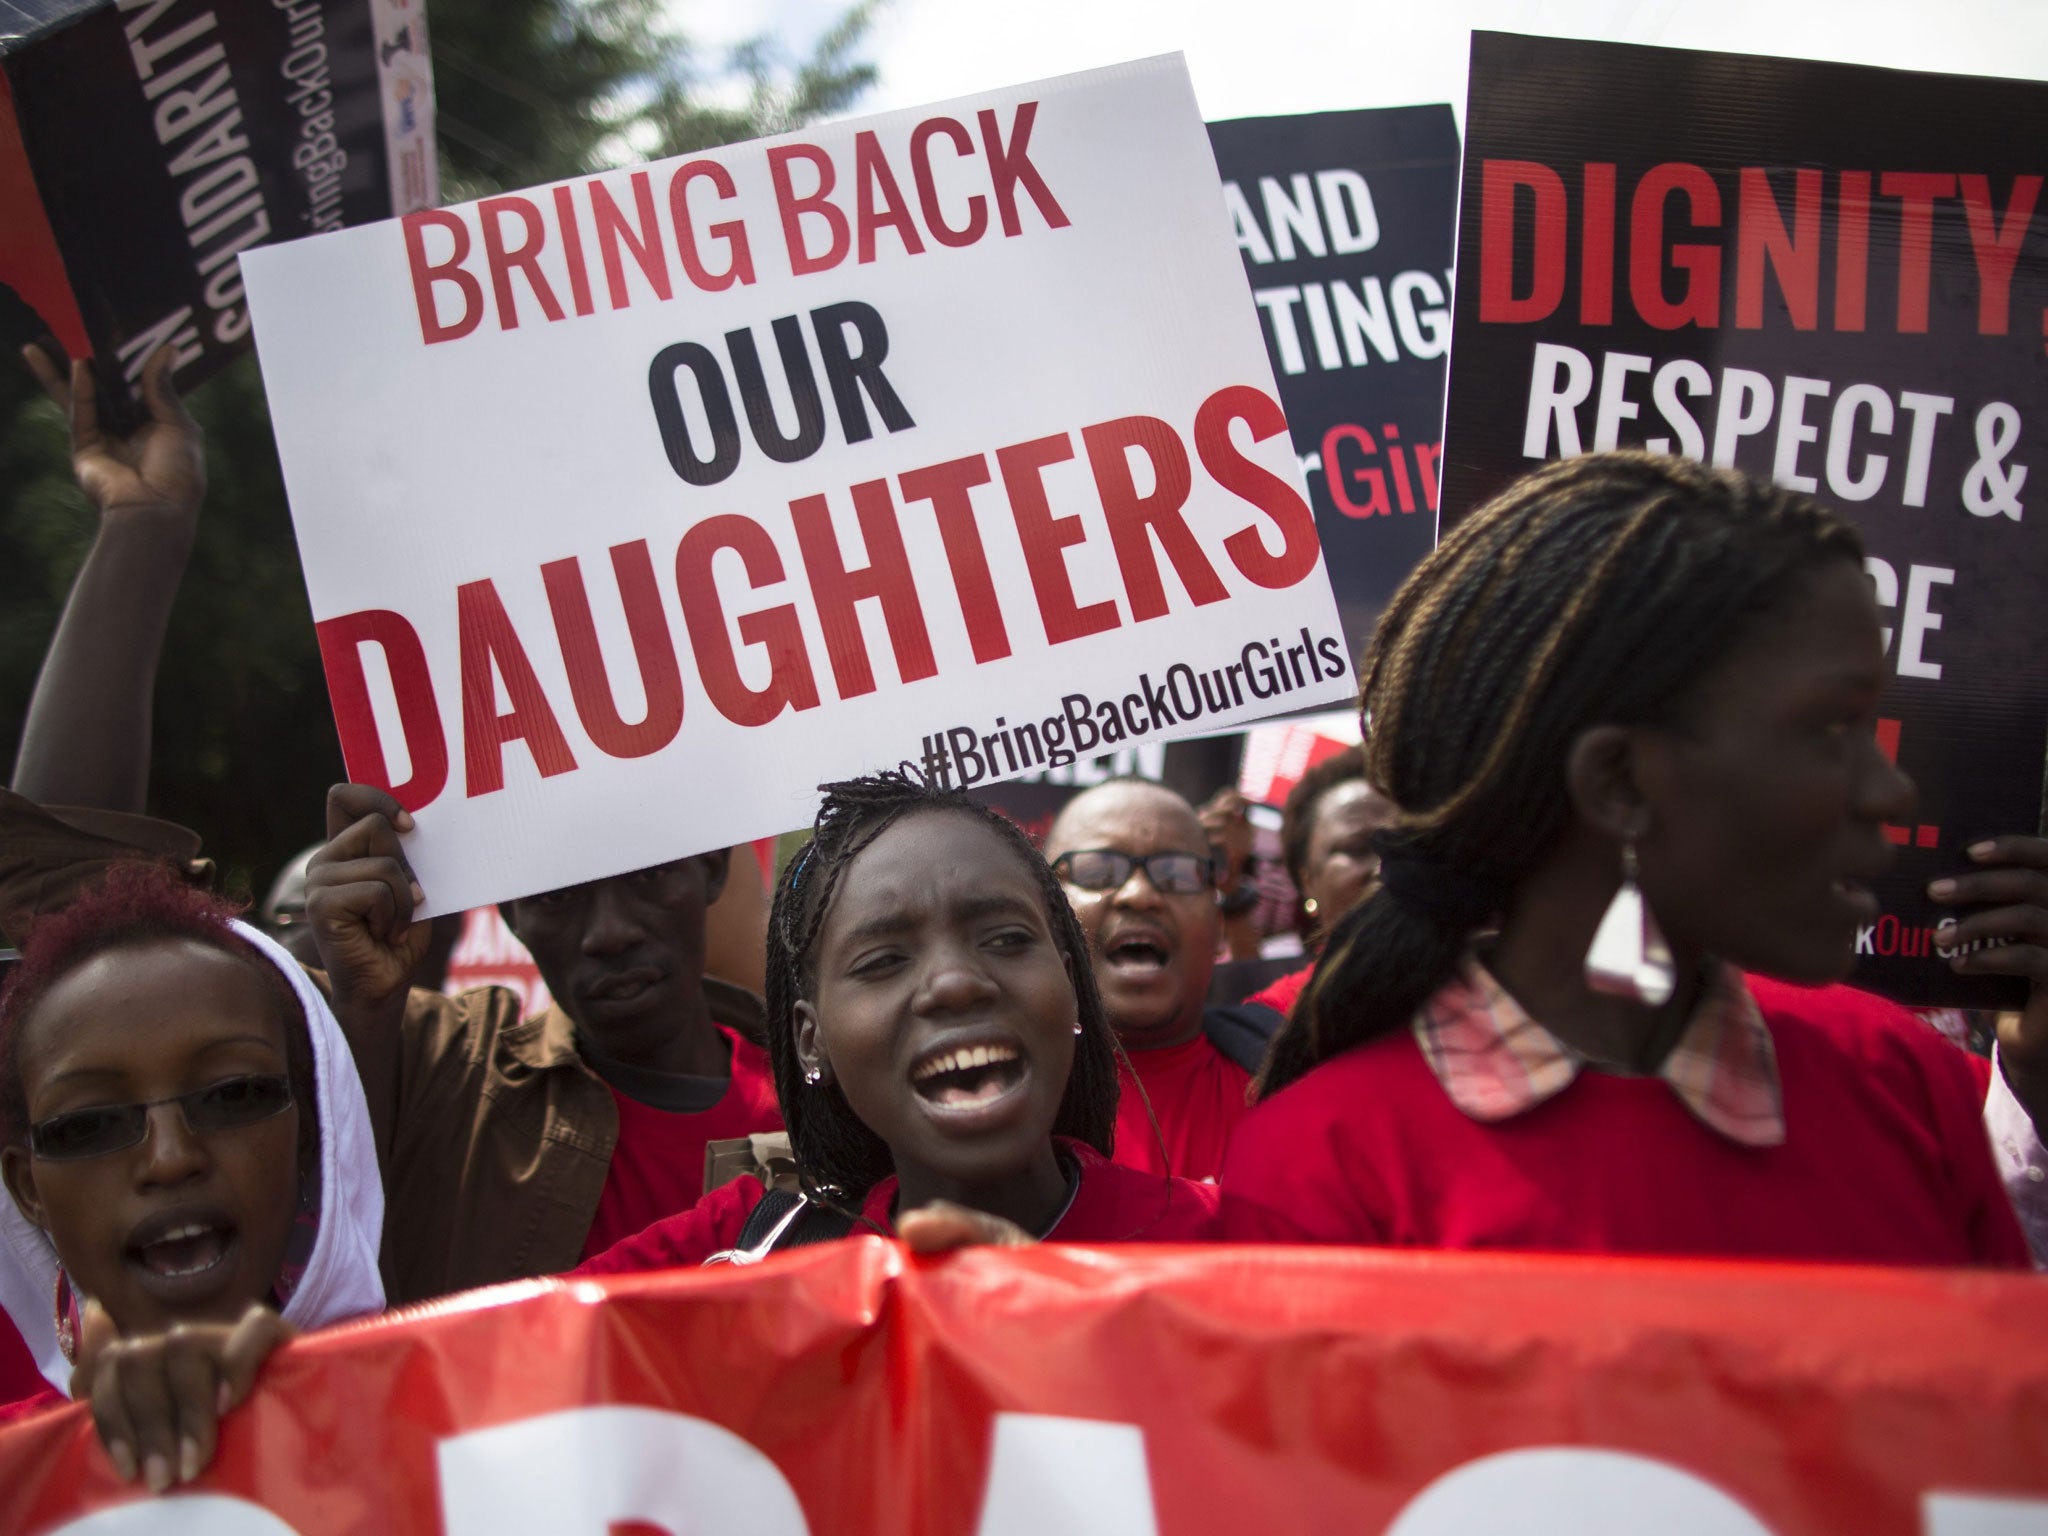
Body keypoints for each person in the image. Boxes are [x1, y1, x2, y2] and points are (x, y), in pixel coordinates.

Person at [1224, 452, 2046, 1264]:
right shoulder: (1326, 1164)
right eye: (1830, 728)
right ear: (1618, 783)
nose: (1891, 792)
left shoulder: (1899, 1081)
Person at [578, 769, 1220, 1271]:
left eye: (1004, 938)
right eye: (883, 960)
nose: (954, 983)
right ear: (811, 1039)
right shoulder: (743, 1252)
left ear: (1073, 988)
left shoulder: (1226, 1238)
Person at [306, 786, 781, 1301]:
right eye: (556, 896)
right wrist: (365, 1000)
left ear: (710, 868)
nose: (609, 933)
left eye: (648, 875)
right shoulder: (450, 1081)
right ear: (511, 916)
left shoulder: (828, 1098)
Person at [0, 863, 384, 1487]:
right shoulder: (17, 1483)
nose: (171, 1157)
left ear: (311, 1133)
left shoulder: (481, 1401)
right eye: (89, 1125)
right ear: (26, 1189)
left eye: (233, 1095)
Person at [1042, 780, 1277, 1181]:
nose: (1139, 893)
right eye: (1098, 870)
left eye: (1176, 873)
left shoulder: (1297, 1082)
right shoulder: (986, 1106)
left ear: (1218, 926)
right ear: (1041, 912)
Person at [1243, 749, 1402, 1020]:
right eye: (1356, 848)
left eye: (1402, 843)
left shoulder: (1484, 982)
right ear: (1308, 882)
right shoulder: (1272, 1020)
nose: (1383, 867)